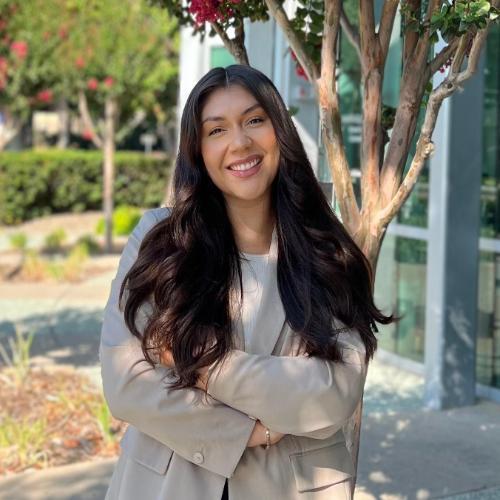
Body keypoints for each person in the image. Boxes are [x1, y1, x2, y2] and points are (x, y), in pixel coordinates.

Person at [100, 64, 395, 500]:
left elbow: (334, 392)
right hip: (167, 484)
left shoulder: (326, 248)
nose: (239, 143)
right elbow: (126, 383)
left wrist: (203, 364)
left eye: (255, 120)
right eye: (216, 130)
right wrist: (247, 431)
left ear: (280, 132)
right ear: (197, 150)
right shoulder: (160, 241)